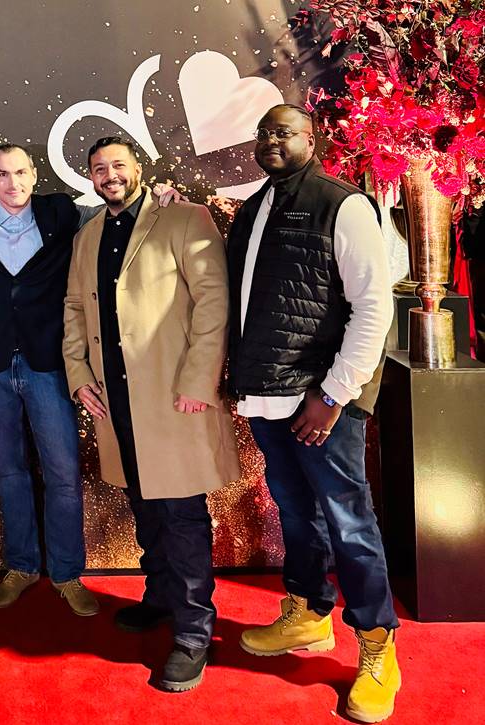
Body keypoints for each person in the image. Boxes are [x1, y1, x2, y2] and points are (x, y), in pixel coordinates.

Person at [0, 144, 182, 616]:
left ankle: (67, 573)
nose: (13, 183)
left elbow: (119, 210)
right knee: (9, 472)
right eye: (2, 174)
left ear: (34, 175)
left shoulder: (62, 213)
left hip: (49, 365)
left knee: (62, 475)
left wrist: (160, 195)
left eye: (20, 172)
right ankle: (21, 567)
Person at [226, 104, 399, 723]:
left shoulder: (341, 203)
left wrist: (333, 396)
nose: (270, 140)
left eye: (284, 131)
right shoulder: (255, 207)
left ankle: (378, 645)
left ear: (311, 139)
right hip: (267, 396)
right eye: (263, 132)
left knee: (349, 522)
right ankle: (308, 612)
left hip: (322, 401)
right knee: (297, 513)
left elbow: (373, 308)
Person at [63, 136, 240, 691]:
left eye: (118, 165)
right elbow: (74, 308)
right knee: (144, 505)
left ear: (138, 167)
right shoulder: (88, 234)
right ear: (91, 178)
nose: (109, 175)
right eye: (99, 169)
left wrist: (198, 380)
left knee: (181, 516)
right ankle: (161, 595)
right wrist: (78, 375)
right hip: (115, 400)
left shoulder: (185, 217)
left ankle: (193, 634)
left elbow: (214, 301)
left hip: (173, 396)